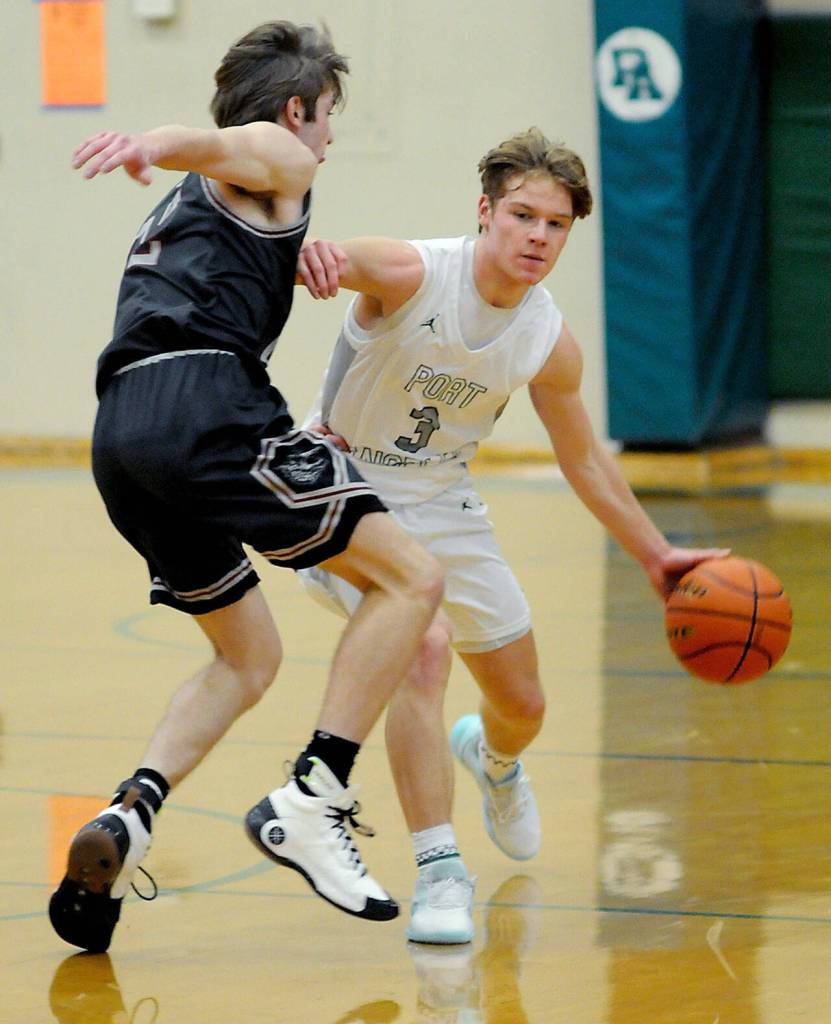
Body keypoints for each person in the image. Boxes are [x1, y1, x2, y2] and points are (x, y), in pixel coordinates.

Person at [48, 20, 444, 955]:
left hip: (122, 432)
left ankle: (131, 814)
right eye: (328, 118)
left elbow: (223, 168)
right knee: (413, 581)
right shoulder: (272, 151)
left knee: (247, 656)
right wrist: (151, 141)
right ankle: (315, 795)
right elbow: (232, 143)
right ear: (297, 109)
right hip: (204, 405)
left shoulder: (196, 208)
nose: (330, 139)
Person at [295, 127, 729, 945]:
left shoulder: (545, 340)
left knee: (522, 704)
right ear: (485, 212)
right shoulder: (410, 272)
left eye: (556, 225)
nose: (537, 236)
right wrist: (309, 254)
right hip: (345, 490)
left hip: (444, 500)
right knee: (420, 648)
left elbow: (586, 462)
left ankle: (494, 761)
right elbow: (291, 258)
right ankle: (439, 872)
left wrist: (656, 554)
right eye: (522, 216)